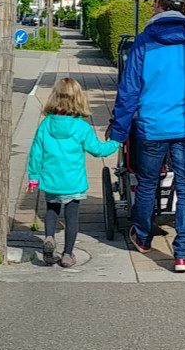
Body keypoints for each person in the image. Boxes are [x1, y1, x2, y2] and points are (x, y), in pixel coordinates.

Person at [108, 0, 185, 272]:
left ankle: (143, 238)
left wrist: (118, 131)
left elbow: (129, 89)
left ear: (157, 3)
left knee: (146, 184)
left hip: (152, 126)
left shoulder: (144, 41)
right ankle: (182, 254)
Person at [28, 77, 120, 268]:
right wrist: (115, 142)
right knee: (72, 217)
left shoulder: (45, 125)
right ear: (78, 99)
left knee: (52, 211)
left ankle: (50, 237)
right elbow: (97, 150)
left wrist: (34, 177)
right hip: (73, 182)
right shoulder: (81, 127)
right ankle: (68, 254)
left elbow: (36, 152)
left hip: (51, 180)